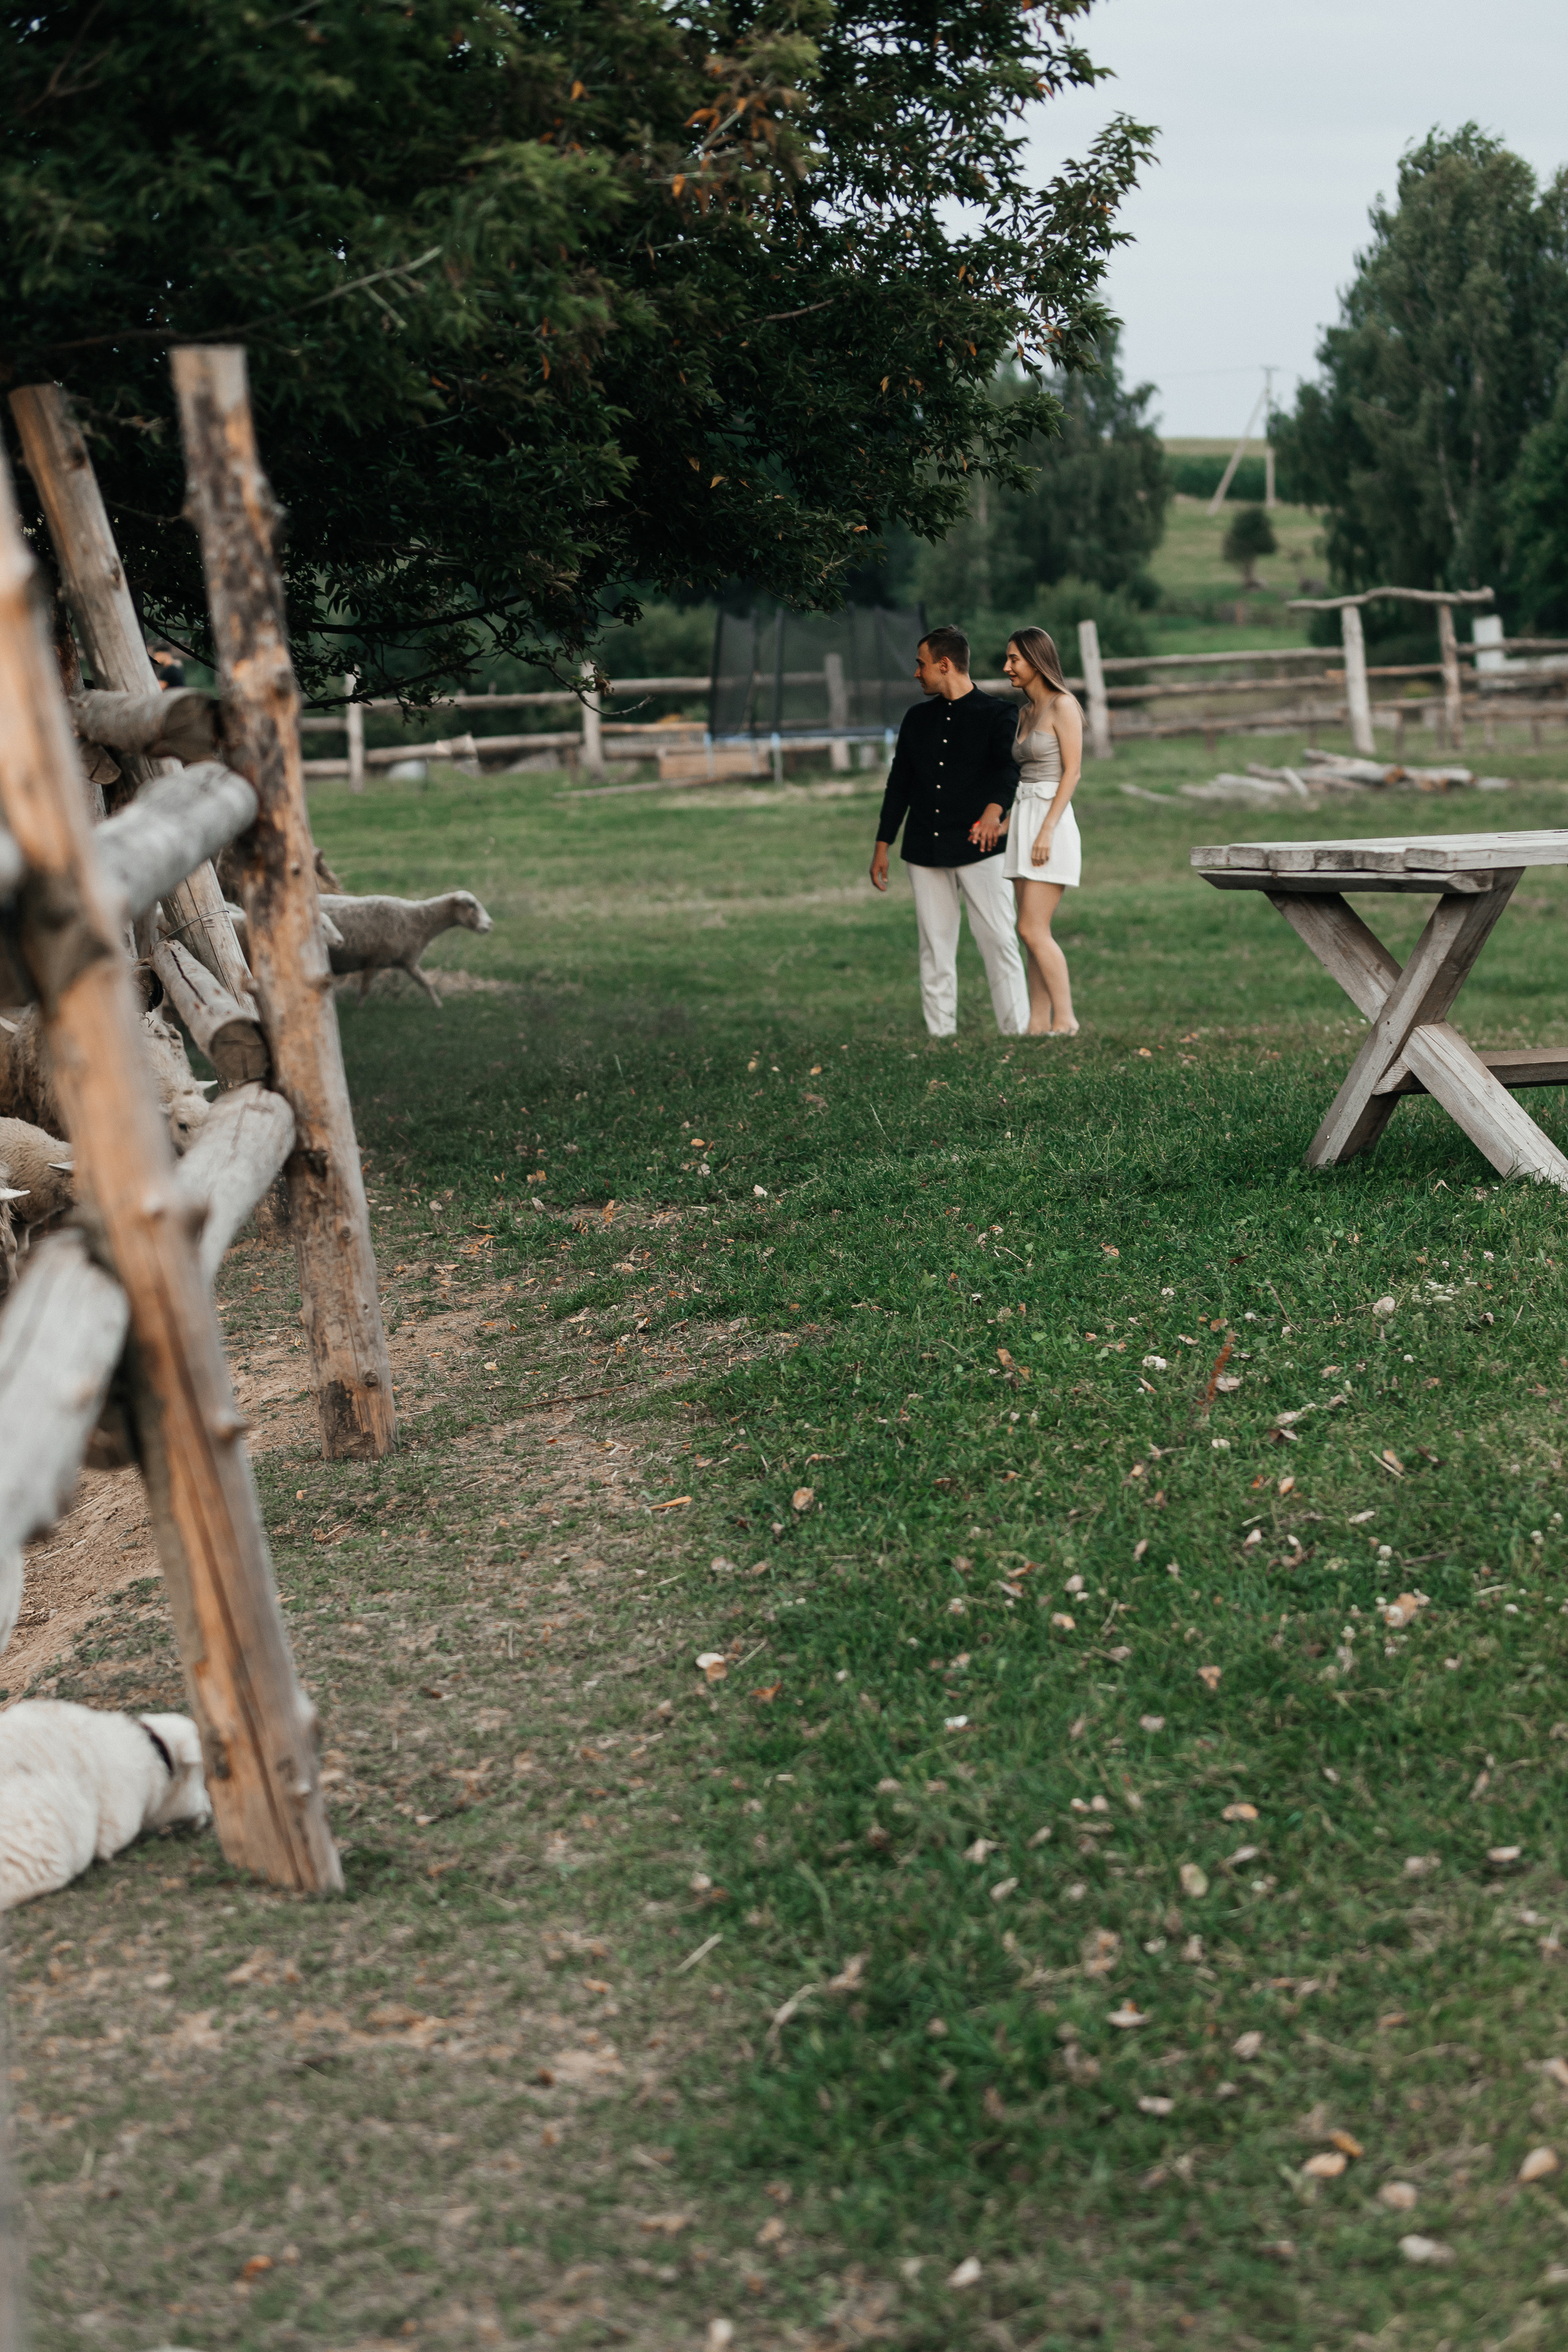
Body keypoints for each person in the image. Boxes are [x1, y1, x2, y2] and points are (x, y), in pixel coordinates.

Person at [869, 624, 1030, 1038]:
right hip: (924, 849)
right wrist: (883, 843)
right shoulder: (916, 719)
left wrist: (996, 811)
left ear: (945, 665)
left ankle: (1017, 1030)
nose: (917, 673)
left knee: (998, 941)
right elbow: (899, 782)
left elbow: (1010, 770)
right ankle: (941, 1036)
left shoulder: (999, 714)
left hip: (983, 848)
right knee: (935, 949)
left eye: (922, 665)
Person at [1001, 625, 1082, 1037]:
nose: (1007, 667)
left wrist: (1047, 830)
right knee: (1032, 933)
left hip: (1051, 824)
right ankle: (1037, 1024)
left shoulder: (1063, 706)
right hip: (1025, 820)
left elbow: (1073, 772)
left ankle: (1066, 1021)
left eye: (1014, 658)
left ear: (1036, 660)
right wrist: (1009, 822)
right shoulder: (1026, 712)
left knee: (1032, 929)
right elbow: (1025, 778)